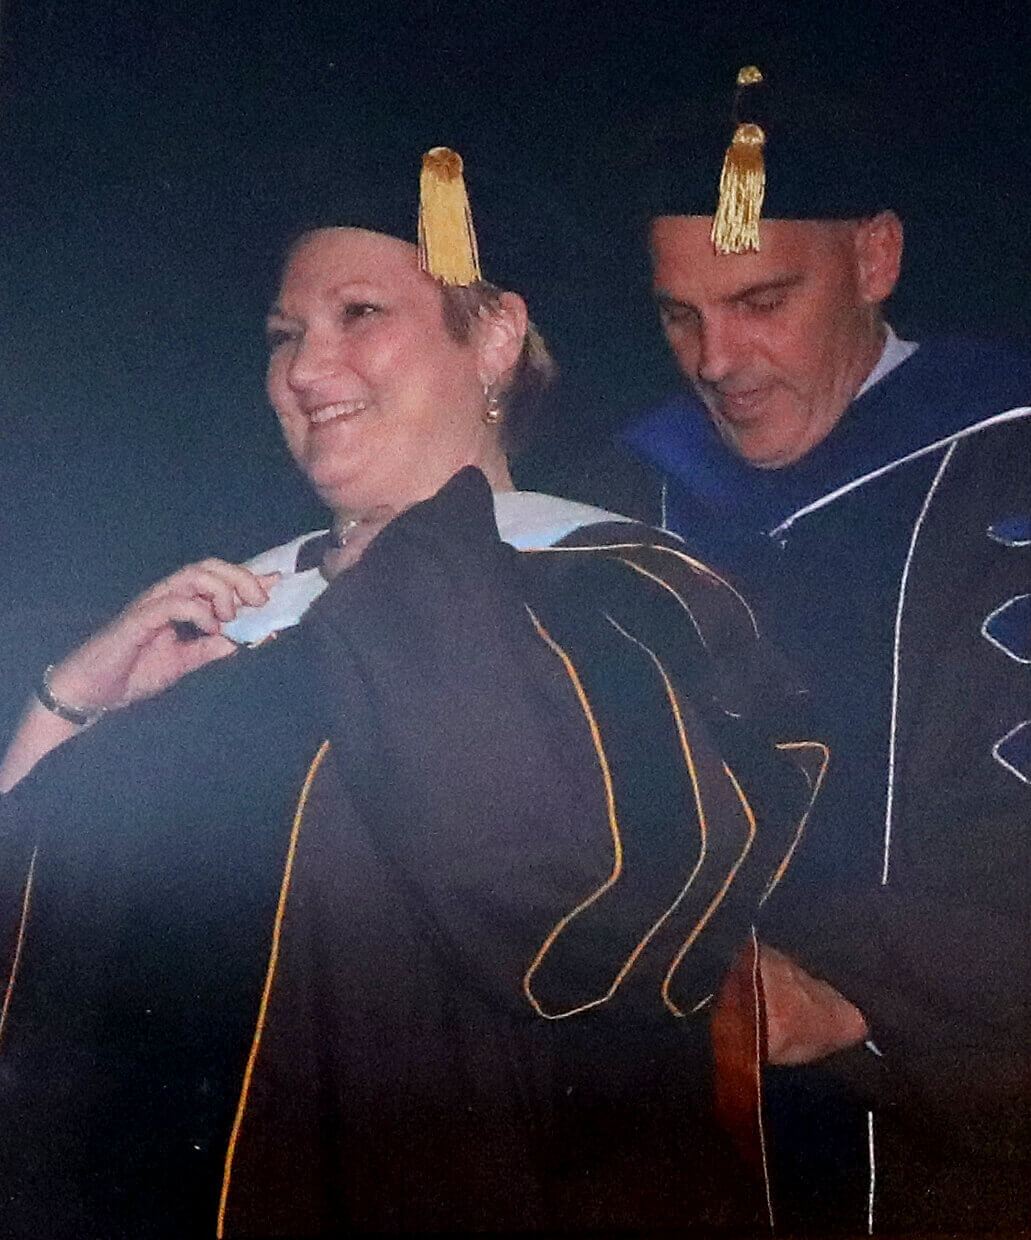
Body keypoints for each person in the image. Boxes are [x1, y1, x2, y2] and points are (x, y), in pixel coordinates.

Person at [0, 148, 824, 1237]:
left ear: (490, 336)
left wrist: (410, 564)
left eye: (357, 314)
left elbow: (574, 908)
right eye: (284, 336)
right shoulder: (236, 611)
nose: (304, 368)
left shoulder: (617, 594)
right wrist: (71, 703)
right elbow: (41, 945)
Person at [577, 67, 1030, 1233]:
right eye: (680, 314)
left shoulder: (1006, 469)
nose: (714, 361)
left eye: (761, 301)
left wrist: (857, 994)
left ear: (873, 259)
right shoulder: (635, 495)